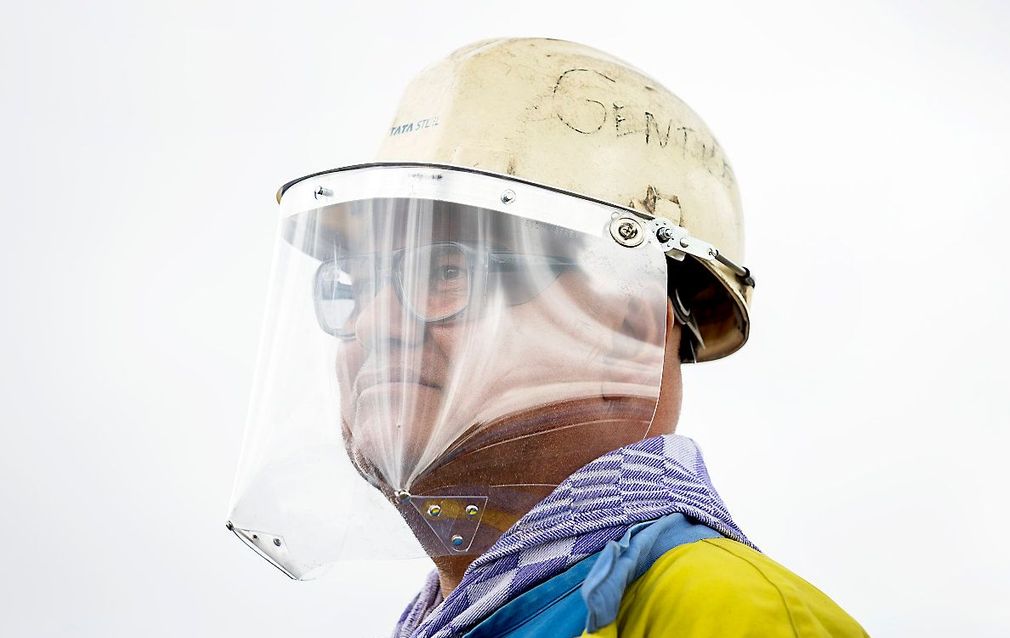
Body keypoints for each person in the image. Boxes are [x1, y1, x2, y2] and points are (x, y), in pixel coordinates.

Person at [227, 38, 868, 637]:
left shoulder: (723, 613)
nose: (371, 321)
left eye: (444, 272)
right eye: (352, 283)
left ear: (628, 321)